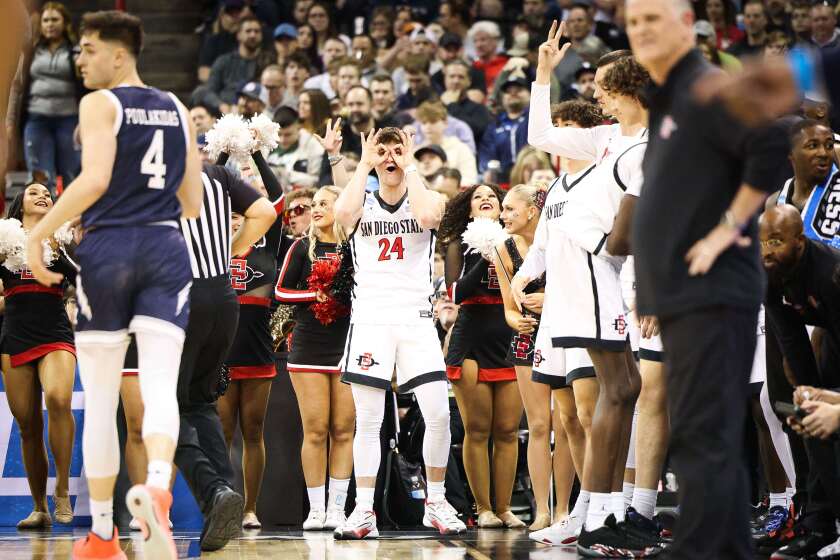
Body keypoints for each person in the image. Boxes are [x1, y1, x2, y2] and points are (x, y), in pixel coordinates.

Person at [25, 10, 203, 560]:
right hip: (167, 247)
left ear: (120, 54)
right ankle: (156, 487)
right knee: (160, 385)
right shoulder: (178, 107)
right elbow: (192, 203)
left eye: (89, 49)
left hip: (109, 247)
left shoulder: (100, 103)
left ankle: (103, 533)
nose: (80, 59)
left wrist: (40, 235)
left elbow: (96, 178)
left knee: (101, 397)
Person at [626, 0, 789, 558]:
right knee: (697, 433)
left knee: (707, 435)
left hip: (713, 291)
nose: (641, 29)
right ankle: (715, 547)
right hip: (683, 296)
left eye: (653, 17)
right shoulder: (671, 95)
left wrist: (727, 227)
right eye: (632, 21)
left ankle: (705, 549)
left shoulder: (707, 84)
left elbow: (769, 144)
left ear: (685, 21)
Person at [518, 36, 653, 554]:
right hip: (595, 267)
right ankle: (598, 519)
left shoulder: (642, 144)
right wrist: (542, 74)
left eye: (604, 91)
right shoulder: (606, 139)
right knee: (616, 392)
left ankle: (610, 510)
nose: (599, 99)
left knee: (626, 387)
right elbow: (540, 133)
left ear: (629, 90)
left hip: (603, 269)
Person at [331, 127, 465, 539]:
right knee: (368, 420)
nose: (390, 157)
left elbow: (429, 217)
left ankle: (437, 502)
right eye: (382, 150)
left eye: (397, 149)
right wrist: (366, 161)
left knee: (439, 412)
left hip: (415, 319)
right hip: (371, 319)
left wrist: (408, 165)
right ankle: (364, 510)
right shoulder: (362, 199)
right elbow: (342, 216)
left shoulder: (425, 196)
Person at [439, 184, 523, 529]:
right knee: (477, 429)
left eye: (492, 195)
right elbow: (456, 292)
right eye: (478, 197)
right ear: (468, 210)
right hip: (470, 340)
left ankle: (504, 508)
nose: (486, 198)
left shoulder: (516, 242)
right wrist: (485, 254)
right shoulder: (459, 244)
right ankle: (482, 508)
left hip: (508, 338)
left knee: (506, 431)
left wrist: (500, 251)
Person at [761, 205, 840, 559]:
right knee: (810, 417)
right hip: (824, 328)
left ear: (800, 242)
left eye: (776, 241)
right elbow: (791, 340)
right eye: (761, 242)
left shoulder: (832, 272)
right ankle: (822, 524)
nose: (766, 251)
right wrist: (806, 391)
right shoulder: (766, 272)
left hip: (835, 329)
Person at [274, 185, 354, 531]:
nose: (316, 208)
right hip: (308, 346)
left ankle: (338, 508)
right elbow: (279, 291)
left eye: (325, 203)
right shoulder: (299, 247)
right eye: (315, 204)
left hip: (348, 346)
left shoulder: (355, 247)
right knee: (316, 429)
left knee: (343, 430)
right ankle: (316, 509)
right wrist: (314, 294)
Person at [493, 183, 571, 531]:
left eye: (510, 208)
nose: (502, 214)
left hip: (565, 328)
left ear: (532, 211)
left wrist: (550, 300)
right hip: (527, 337)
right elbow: (508, 310)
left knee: (569, 423)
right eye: (502, 208)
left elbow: (577, 285)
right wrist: (516, 319)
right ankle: (542, 510)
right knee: (539, 425)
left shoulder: (558, 237)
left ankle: (564, 510)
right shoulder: (503, 249)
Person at [217, 148, 286, 531]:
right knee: (223, 430)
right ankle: (221, 503)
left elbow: (276, 198)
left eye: (237, 214)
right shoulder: (213, 242)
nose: (232, 220)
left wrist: (257, 153)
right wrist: (222, 155)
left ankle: (250, 508)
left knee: (254, 429)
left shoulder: (265, 240)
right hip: (222, 346)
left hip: (257, 343)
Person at [0, 184, 76, 529]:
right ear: (19, 206)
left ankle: (61, 489)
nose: (43, 196)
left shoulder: (61, 238)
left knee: (59, 399)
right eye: (34, 193)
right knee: (28, 426)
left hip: (54, 328)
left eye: (48, 193)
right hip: (15, 334)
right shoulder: (3, 239)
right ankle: (39, 507)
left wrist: (62, 249)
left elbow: (82, 276)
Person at [23, 2, 82, 188]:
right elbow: (19, 85)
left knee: (72, 174)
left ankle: (72, 216)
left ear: (65, 23)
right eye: (46, 20)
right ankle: (44, 215)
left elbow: (86, 86)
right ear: (40, 25)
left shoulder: (76, 50)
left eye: (55, 20)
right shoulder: (31, 51)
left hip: (69, 120)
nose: (50, 24)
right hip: (37, 119)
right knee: (40, 176)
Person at [193, 16, 273, 114]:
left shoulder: (267, 61)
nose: (253, 35)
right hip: (226, 110)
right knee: (199, 92)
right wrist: (221, 105)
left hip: (255, 110)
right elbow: (209, 91)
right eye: (248, 31)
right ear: (238, 35)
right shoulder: (224, 61)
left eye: (257, 31)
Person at [478, 75, 531, 185]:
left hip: (532, 175)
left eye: (519, 90)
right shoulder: (494, 126)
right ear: (502, 98)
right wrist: (488, 168)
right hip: (501, 179)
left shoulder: (536, 117)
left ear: (530, 94)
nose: (513, 93)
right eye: (508, 91)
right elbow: (486, 153)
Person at [416, 100, 477, 186]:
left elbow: (470, 180)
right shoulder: (415, 152)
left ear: (445, 123)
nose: (428, 127)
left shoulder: (461, 149)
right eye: (424, 123)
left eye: (433, 122)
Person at [267, 106, 324, 191]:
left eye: (288, 134)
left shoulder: (313, 145)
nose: (282, 140)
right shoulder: (266, 145)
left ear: (298, 127)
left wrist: (286, 175)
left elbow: (317, 180)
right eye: (279, 134)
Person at [438, 59, 493, 146]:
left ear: (469, 81)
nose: (456, 81)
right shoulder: (434, 107)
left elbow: (476, 131)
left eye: (461, 77)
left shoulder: (479, 109)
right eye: (452, 76)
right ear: (444, 79)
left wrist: (452, 105)